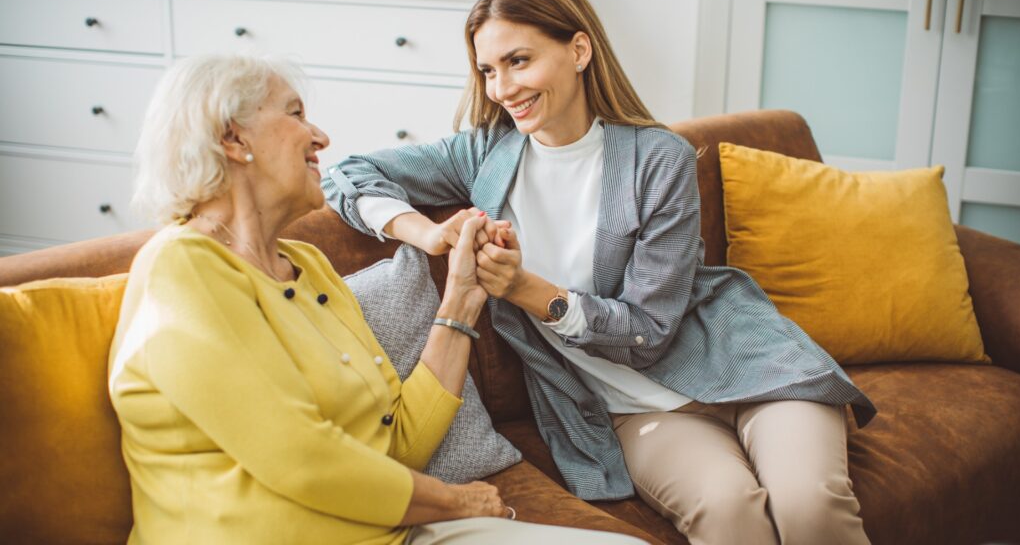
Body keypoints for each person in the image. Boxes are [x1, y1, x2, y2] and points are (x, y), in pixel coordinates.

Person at [322, 0, 878, 544]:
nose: (502, 88)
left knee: (810, 508)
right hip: (635, 411)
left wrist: (524, 289)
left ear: (579, 49)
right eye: (488, 70)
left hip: (746, 367)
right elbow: (344, 176)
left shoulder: (658, 158)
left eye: (519, 60)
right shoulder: (486, 155)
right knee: (731, 513)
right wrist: (428, 234)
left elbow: (652, 331)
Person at [108, 53, 645, 545]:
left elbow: (397, 446)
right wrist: (457, 500)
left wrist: (462, 294)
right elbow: (301, 460)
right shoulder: (181, 267)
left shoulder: (310, 267)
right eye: (295, 114)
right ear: (232, 139)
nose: (319, 136)